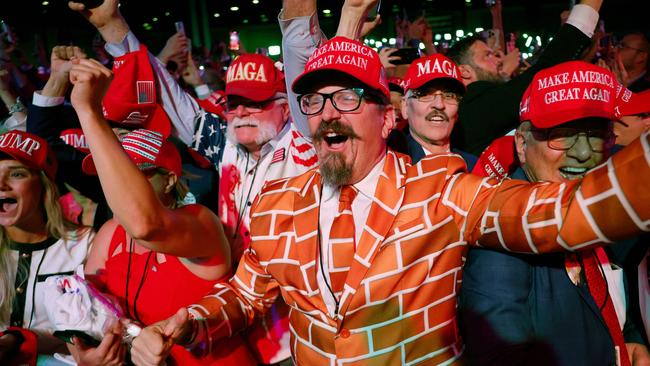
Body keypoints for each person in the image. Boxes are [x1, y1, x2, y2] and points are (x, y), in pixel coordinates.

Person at [130, 4, 650, 364]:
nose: (330, 114)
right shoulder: (275, 205)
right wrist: (185, 322)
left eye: (349, 98)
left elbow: (565, 215)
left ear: (387, 119)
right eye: (314, 101)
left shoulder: (441, 192)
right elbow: (245, 297)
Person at [65, 58, 256, 365]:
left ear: (169, 180)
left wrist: (88, 111)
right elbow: (91, 313)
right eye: (111, 173)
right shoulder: (111, 232)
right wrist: (91, 356)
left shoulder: (200, 221)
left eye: (135, 173)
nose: (118, 183)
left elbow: (146, 225)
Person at [458, 61, 650, 366]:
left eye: (596, 134)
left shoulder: (596, 214)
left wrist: (630, 342)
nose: (584, 153)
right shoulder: (501, 240)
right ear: (521, 144)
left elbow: (608, 308)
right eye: (562, 134)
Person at [445, 0, 603, 156]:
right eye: (488, 55)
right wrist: (589, 7)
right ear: (464, 71)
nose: (500, 60)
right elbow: (546, 69)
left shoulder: (478, 103)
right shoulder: (473, 102)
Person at [0, 130, 94, 365]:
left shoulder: (84, 245)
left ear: (45, 185)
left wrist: (20, 341)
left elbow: (94, 331)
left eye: (17, 174)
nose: (1, 185)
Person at [401, 53, 477, 168]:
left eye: (449, 95)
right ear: (405, 107)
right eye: (425, 94)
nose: (439, 104)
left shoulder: (475, 168)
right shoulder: (390, 166)